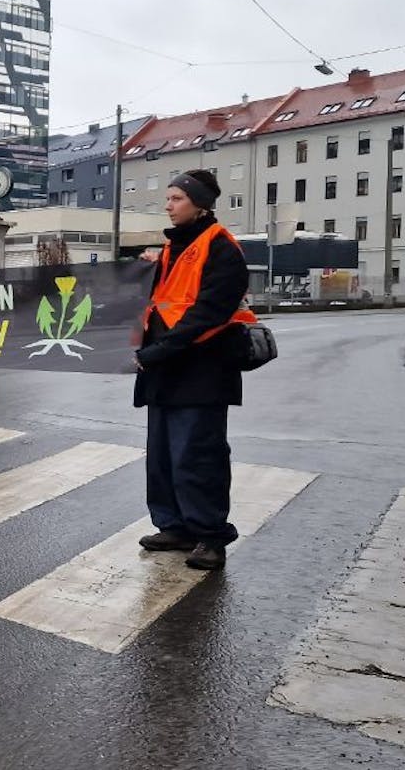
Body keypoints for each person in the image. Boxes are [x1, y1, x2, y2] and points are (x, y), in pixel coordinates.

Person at [134, 169, 255, 572]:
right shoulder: (173, 250)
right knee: (163, 455)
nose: (168, 206)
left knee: (198, 455)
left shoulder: (222, 248)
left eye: (175, 199)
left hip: (201, 371)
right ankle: (174, 525)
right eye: (167, 199)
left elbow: (207, 314)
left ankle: (209, 536)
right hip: (167, 372)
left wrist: (156, 352)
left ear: (199, 203)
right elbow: (164, 303)